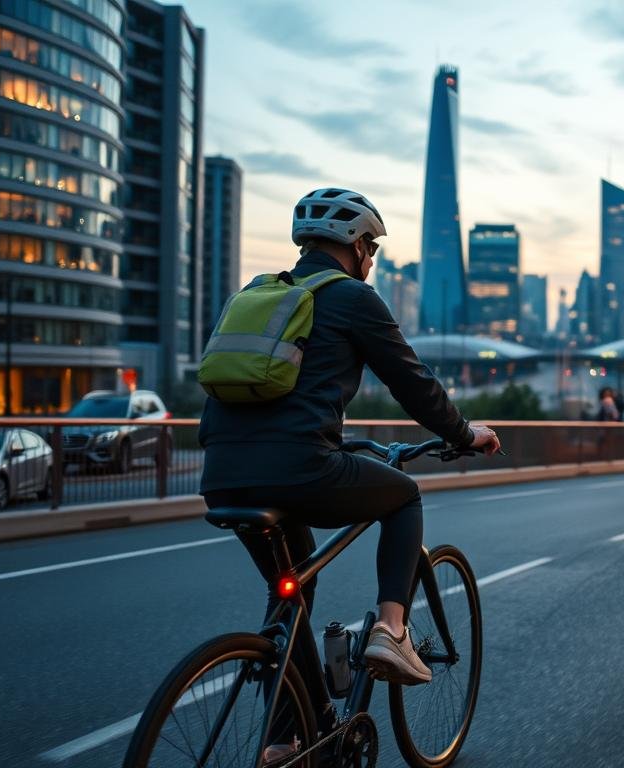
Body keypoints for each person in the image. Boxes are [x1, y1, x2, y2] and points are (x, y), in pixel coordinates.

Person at [198, 188, 500, 713]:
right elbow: (413, 383)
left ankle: (289, 737)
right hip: (299, 469)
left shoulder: (254, 294)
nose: (373, 259)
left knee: (289, 592)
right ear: (357, 245)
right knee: (404, 496)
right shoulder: (354, 298)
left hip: (222, 473)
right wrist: (463, 434)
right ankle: (392, 629)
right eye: (372, 248)